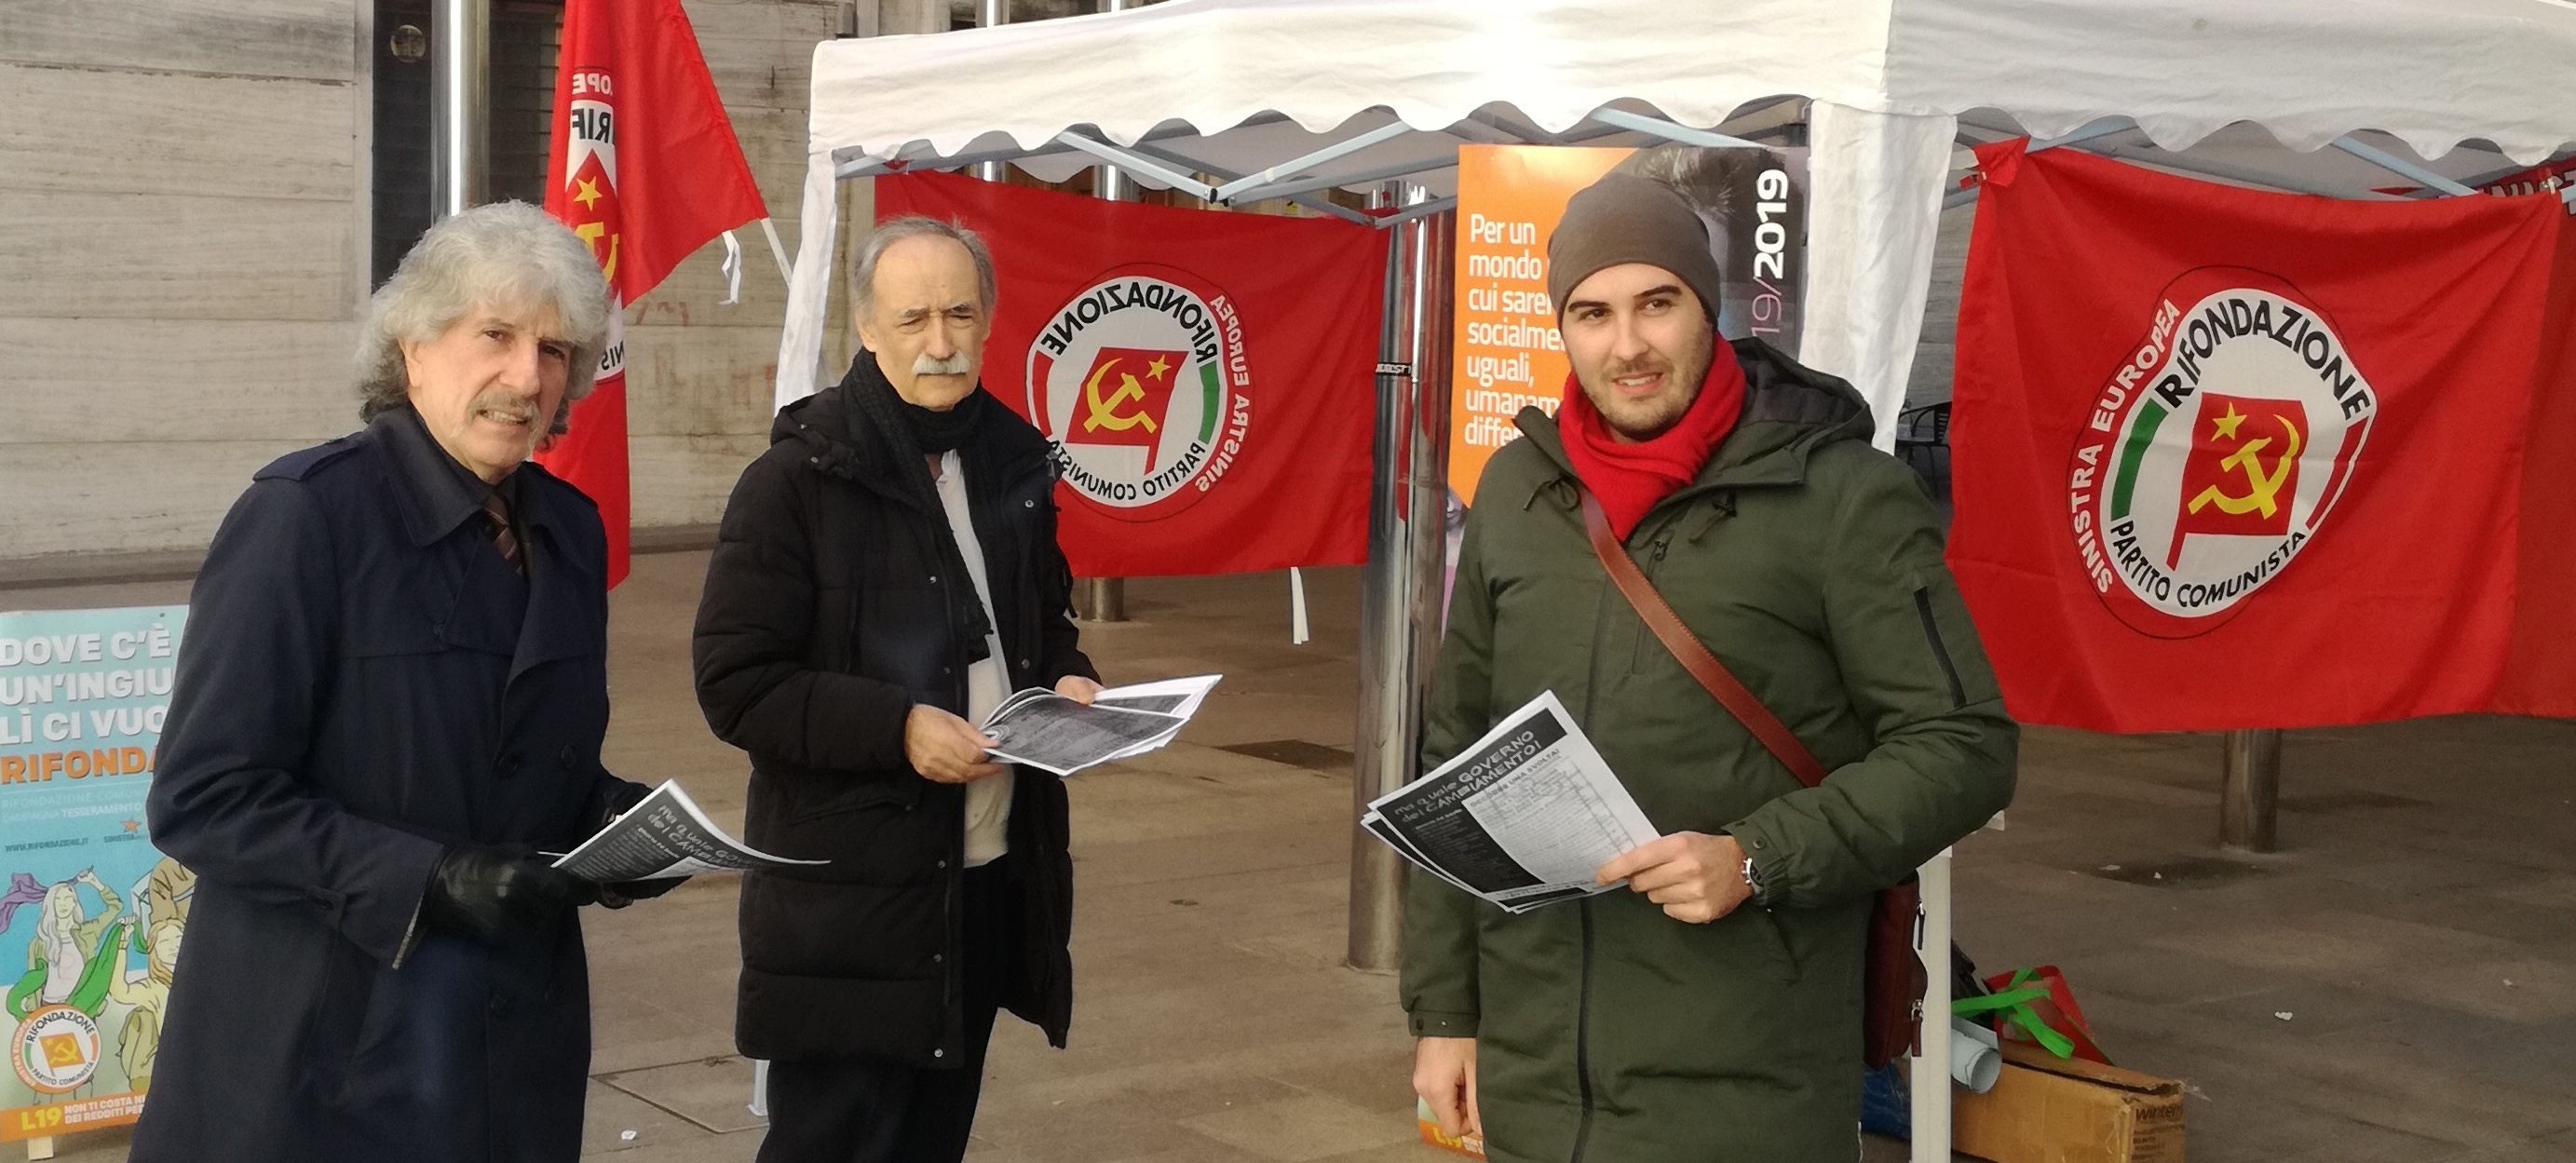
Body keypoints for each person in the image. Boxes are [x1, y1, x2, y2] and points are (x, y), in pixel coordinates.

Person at [1403, 172, 2019, 1162]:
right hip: (1535, 1067)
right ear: (1562, 325)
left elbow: (1964, 745)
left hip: (1746, 1074)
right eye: (1592, 313)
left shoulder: (1842, 495)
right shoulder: (1521, 488)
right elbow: (1456, 758)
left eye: (1658, 303)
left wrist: (1759, 854)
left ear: (1710, 306)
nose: (1627, 345)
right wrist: (1444, 1011)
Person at [131, 201, 674, 1163]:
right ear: (413, 348)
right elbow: (203, 798)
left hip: (510, 1044)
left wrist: (613, 824)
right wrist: (428, 878)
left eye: (554, 350)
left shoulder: (570, 532)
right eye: (496, 336)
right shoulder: (305, 518)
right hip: (330, 1049)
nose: (526, 376)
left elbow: (524, 762)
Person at [693, 215, 1099, 1163]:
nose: (942, 342)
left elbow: (1045, 622)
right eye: (912, 318)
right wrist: (896, 727)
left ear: (991, 318)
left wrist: (1072, 680)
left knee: (930, 1144)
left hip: (987, 878)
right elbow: (735, 683)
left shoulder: (1014, 462)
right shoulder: (793, 482)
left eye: (961, 313)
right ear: (867, 331)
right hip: (852, 910)